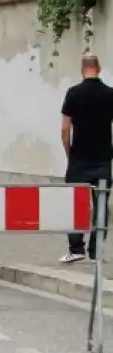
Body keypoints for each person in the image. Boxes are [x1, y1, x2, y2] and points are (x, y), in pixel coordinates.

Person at [60, 52, 113, 263]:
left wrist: (69, 154)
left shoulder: (73, 93)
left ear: (82, 69)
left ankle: (76, 249)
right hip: (102, 161)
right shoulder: (110, 94)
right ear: (98, 68)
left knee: (75, 203)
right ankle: (96, 252)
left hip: (79, 161)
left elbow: (65, 129)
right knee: (101, 205)